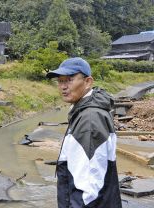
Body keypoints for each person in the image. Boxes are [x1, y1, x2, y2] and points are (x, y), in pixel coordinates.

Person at [46, 57, 122, 208]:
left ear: (88, 82)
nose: (63, 86)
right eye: (60, 81)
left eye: (69, 80)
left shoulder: (89, 119)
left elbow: (88, 189)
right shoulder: (84, 111)